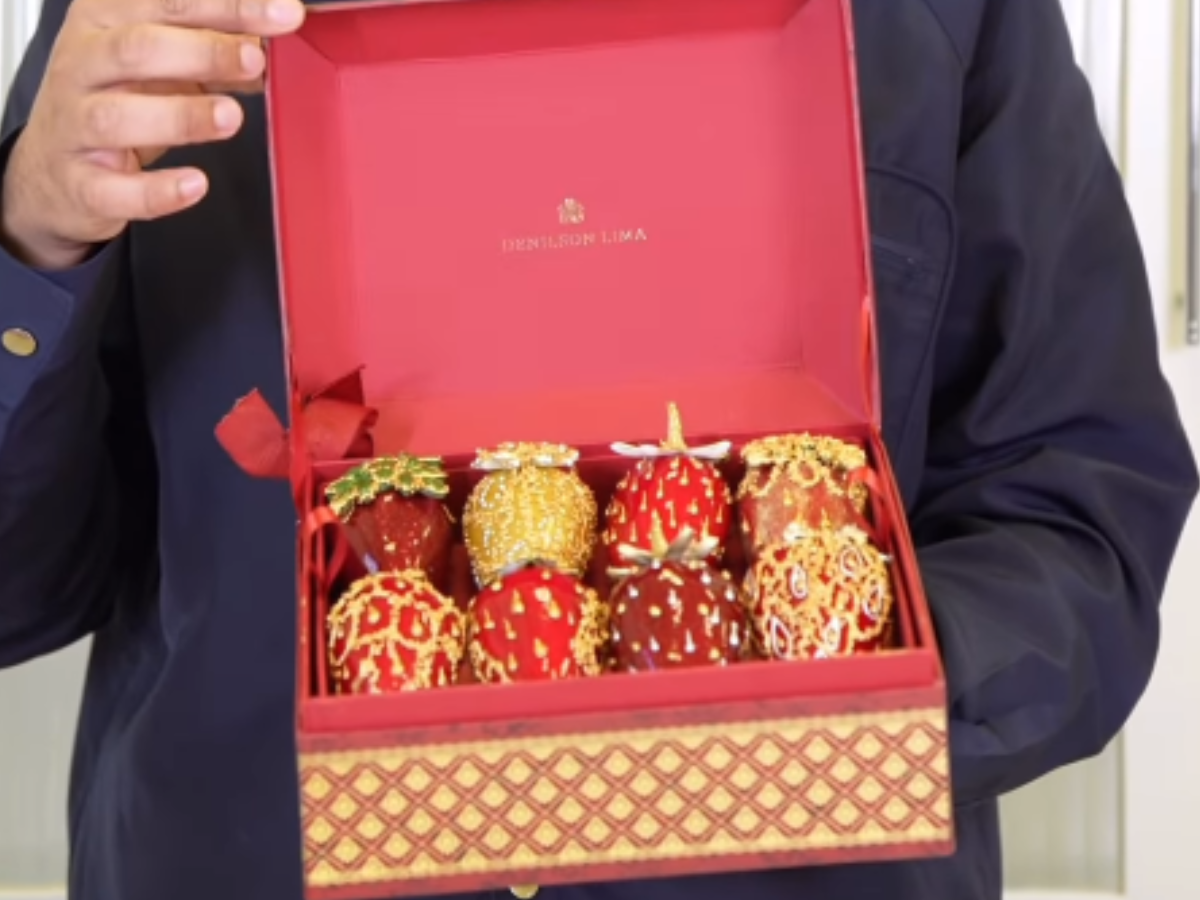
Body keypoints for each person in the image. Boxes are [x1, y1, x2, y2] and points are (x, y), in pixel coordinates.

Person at [0, 0, 1194, 898]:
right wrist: (32, 246)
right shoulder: (158, 29)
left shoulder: (943, 20)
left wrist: (840, 714)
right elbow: (24, 590)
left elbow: (1078, 507)